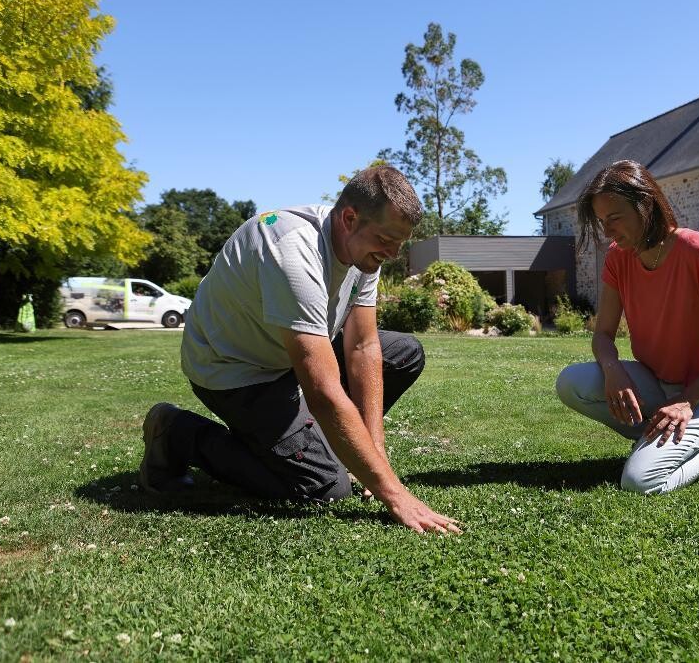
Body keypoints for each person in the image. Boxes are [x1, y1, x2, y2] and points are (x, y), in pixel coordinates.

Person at [139, 165, 460, 534]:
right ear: (350, 218)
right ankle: (177, 432)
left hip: (285, 353)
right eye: (387, 239)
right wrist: (394, 493)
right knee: (324, 488)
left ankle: (313, 442)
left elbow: (365, 347)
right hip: (235, 371)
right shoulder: (293, 251)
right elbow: (322, 391)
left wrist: (374, 449)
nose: (392, 253)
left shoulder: (364, 253)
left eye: (399, 242)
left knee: (403, 353)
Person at [555, 160, 699, 494]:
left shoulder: (695, 249)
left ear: (645, 205)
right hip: (656, 384)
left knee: (640, 481)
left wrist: (687, 400)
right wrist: (613, 370)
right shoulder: (618, 257)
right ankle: (660, 439)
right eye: (602, 221)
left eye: (614, 218)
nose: (608, 231)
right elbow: (602, 335)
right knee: (570, 383)